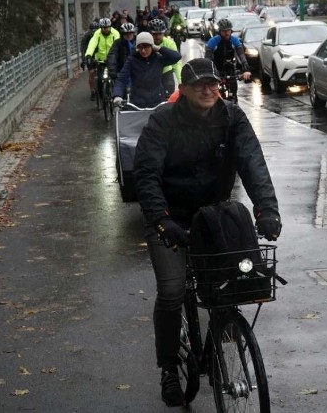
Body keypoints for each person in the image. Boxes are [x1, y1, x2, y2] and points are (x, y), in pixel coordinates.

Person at [133, 57, 281, 407]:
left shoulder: (232, 117)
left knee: (231, 286)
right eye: (199, 84)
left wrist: (267, 210)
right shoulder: (163, 121)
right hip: (170, 215)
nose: (208, 89)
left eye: (213, 83)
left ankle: (218, 343)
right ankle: (169, 367)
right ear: (182, 90)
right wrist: (160, 219)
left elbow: (253, 163)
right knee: (171, 291)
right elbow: (146, 173)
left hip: (213, 215)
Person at [112, 32, 181, 108]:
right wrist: (117, 95)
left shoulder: (158, 59)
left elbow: (177, 57)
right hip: (137, 103)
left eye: (146, 47)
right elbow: (121, 79)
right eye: (140, 47)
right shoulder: (132, 60)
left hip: (157, 101)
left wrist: (159, 48)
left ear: (152, 46)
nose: (143, 51)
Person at [83, 18, 120, 100]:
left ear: (110, 27)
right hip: (100, 59)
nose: (106, 29)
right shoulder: (97, 33)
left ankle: (116, 94)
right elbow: (92, 44)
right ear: (101, 27)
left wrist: (118, 56)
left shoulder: (115, 33)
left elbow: (118, 45)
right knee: (100, 79)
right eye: (103, 27)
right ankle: (101, 97)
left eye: (107, 27)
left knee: (115, 77)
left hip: (112, 59)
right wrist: (88, 55)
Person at [148, 18, 183, 96]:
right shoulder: (145, 43)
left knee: (169, 97)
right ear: (150, 34)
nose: (157, 36)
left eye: (160, 34)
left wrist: (180, 81)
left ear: (164, 33)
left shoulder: (170, 43)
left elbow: (177, 63)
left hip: (166, 73)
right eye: (154, 34)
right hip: (150, 73)